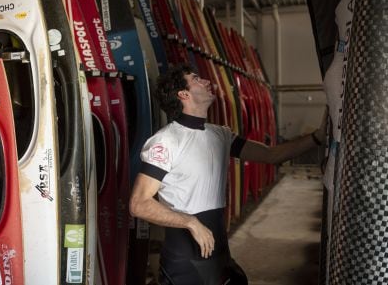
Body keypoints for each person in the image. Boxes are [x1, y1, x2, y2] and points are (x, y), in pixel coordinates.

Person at [129, 64, 327, 285]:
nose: (206, 81)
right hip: (185, 261)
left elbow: (272, 155)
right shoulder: (166, 141)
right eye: (196, 79)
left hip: (219, 251)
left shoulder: (220, 135)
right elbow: (139, 203)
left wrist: (317, 137)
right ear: (183, 94)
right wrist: (190, 222)